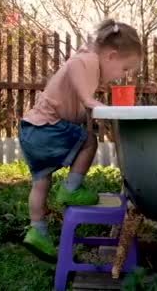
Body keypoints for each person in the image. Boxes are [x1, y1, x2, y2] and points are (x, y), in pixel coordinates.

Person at [19, 19, 142, 260]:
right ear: (111, 56)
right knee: (89, 141)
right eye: (124, 69)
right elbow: (75, 66)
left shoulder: (90, 61)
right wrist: (89, 100)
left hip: (30, 130)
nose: (122, 76)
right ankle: (70, 189)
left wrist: (91, 108)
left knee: (41, 183)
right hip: (47, 128)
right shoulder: (87, 61)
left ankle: (37, 231)